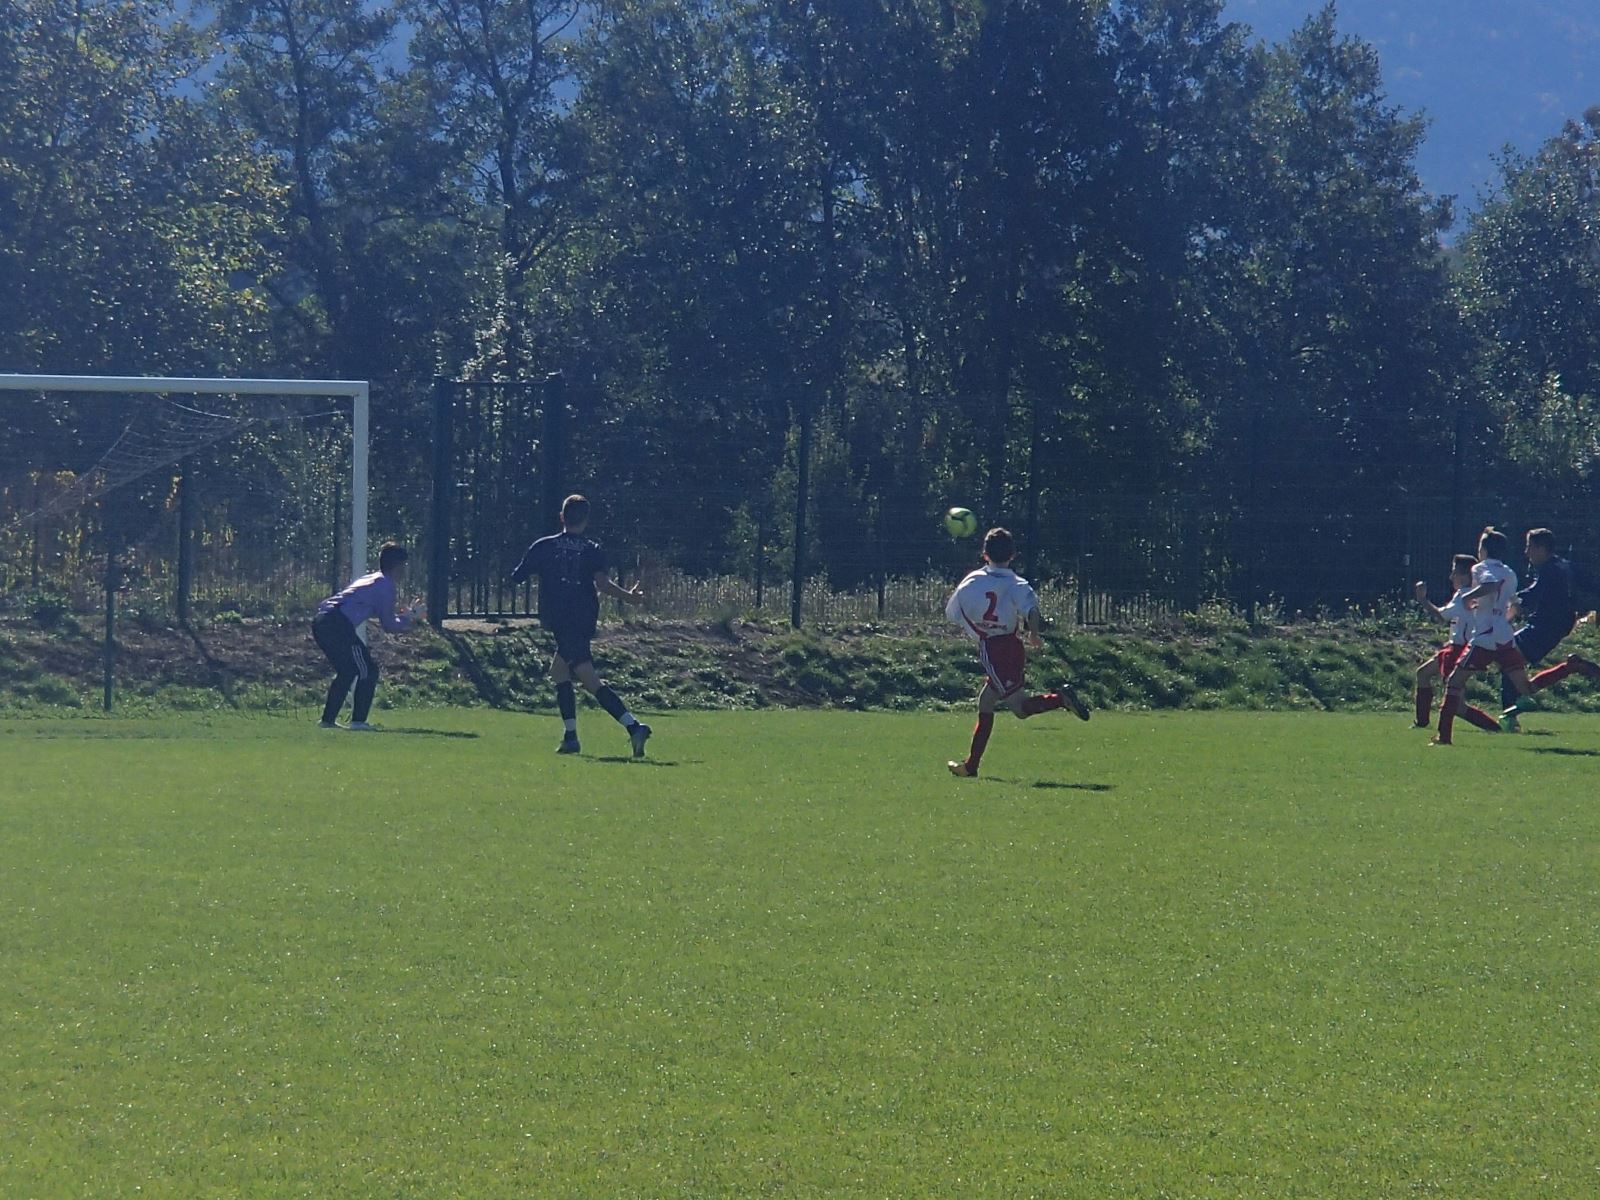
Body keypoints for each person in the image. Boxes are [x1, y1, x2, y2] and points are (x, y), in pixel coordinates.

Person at [509, 494, 652, 757]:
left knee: (588, 678)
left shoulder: (544, 546)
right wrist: (630, 598)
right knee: (559, 672)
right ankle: (571, 737)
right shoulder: (591, 549)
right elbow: (602, 584)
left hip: (562, 620)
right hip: (583, 618)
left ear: (561, 517)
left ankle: (633, 727)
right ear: (586, 521)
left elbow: (517, 576)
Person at [944, 527, 1089, 778]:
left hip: (994, 649)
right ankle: (970, 766)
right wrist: (1033, 633)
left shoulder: (971, 581)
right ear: (1012, 555)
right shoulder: (1016, 584)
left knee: (1020, 709)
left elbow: (952, 612)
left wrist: (976, 627)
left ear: (984, 554)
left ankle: (1060, 699)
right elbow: (1032, 611)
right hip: (1012, 645)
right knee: (986, 701)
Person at [1434, 527, 1534, 745]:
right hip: (1505, 637)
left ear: (1485, 550)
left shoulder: (1480, 568)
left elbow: (1490, 585)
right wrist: (1502, 620)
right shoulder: (1510, 572)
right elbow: (1515, 606)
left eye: (1480, 545)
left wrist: (1467, 597)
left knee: (1454, 683)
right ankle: (1569, 668)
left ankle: (1443, 737)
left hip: (1484, 638)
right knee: (1525, 687)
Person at [312, 543, 421, 731]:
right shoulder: (386, 585)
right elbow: (389, 625)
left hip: (322, 621)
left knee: (348, 670)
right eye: (403, 566)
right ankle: (358, 721)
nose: (405, 571)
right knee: (368, 670)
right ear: (397, 566)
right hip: (337, 624)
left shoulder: (372, 579)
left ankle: (327, 721)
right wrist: (409, 617)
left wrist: (404, 616)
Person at [1499, 528, 1600, 727]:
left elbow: (1535, 593)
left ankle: (1510, 715)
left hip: (1546, 627)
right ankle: (1511, 712)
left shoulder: (1550, 569)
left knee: (1509, 660)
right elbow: (1589, 584)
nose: (1526, 552)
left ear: (1542, 549)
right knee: (1511, 667)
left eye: (1529, 547)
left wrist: (1511, 598)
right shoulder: (1561, 565)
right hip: (1552, 625)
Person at [1411, 554, 1501, 735]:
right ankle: (1421, 722)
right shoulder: (1471, 595)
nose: (1451, 577)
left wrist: (1422, 599)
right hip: (1453, 647)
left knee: (1457, 706)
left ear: (1466, 577)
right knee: (1423, 674)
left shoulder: (1463, 597)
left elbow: (1440, 616)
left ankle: (1495, 728)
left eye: (1455, 573)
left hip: (1458, 650)